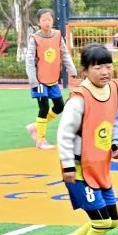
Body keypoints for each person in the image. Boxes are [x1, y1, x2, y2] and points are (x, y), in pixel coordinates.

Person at [51, 44, 118, 235]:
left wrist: (116, 142)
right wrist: (68, 165)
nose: (105, 72)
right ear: (84, 71)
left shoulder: (113, 89)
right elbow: (64, 134)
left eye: (108, 66)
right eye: (98, 67)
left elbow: (114, 120)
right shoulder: (79, 98)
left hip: (100, 167)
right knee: (101, 222)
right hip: (80, 170)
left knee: (112, 221)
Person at [25, 8, 78, 149]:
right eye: (44, 20)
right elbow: (29, 60)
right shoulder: (34, 38)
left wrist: (72, 69)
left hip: (52, 79)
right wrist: (33, 80)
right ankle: (40, 140)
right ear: (38, 22)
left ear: (53, 20)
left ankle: (35, 126)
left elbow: (64, 53)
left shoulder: (58, 36)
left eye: (49, 19)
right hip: (39, 80)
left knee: (59, 106)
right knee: (44, 108)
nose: (47, 22)